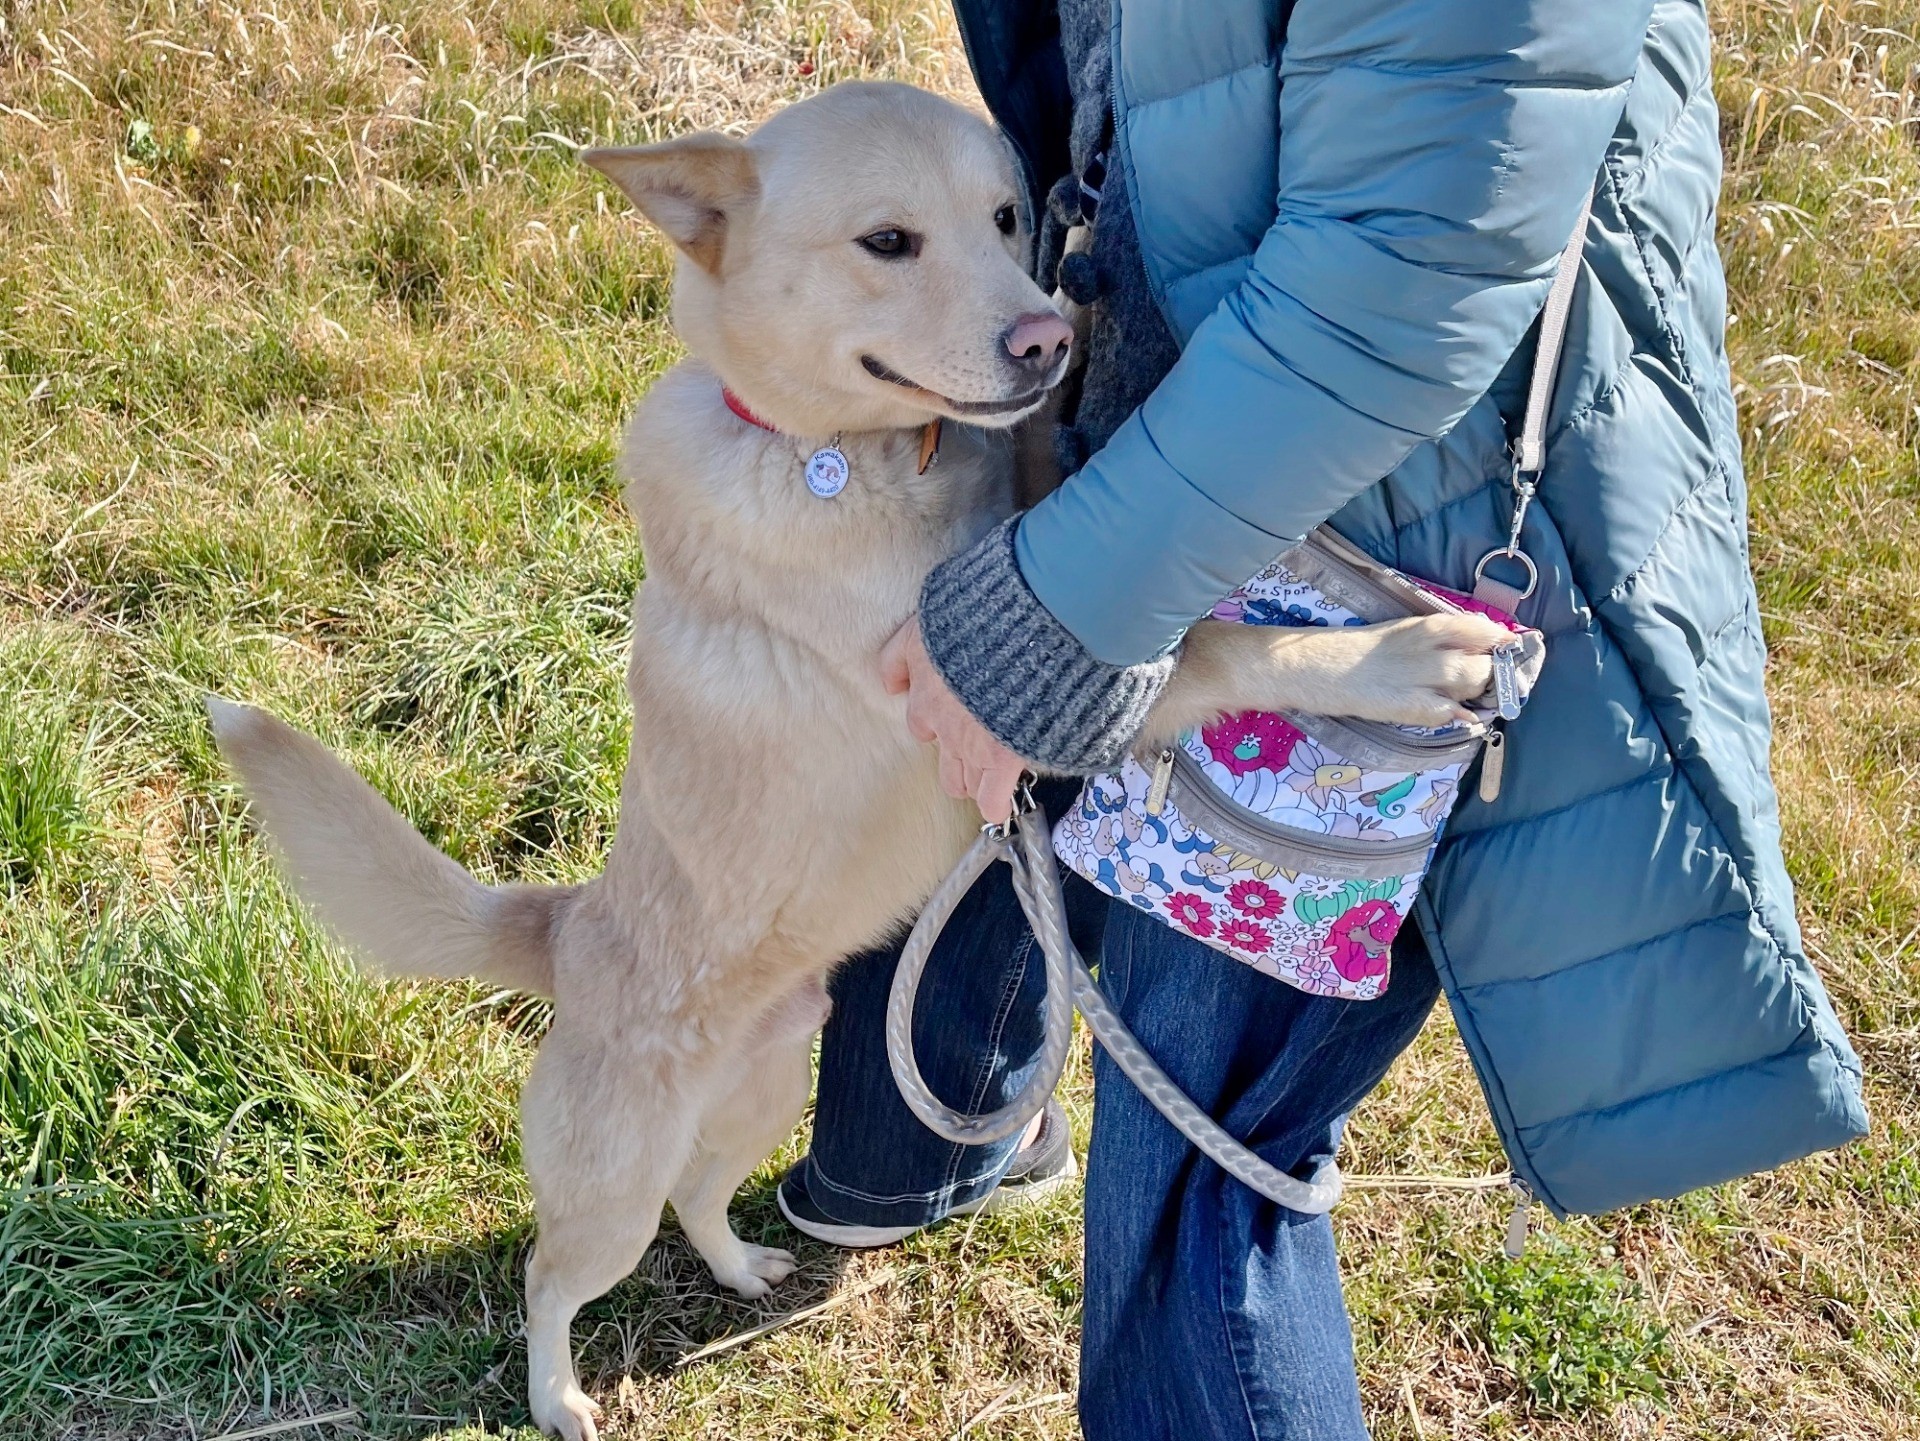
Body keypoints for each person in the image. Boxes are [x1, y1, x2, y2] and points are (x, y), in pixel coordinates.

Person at [777, 3, 1868, 1437]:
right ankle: (894, 1153)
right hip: (1160, 405)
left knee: (1205, 1144)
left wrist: (1057, 608)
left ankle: (902, 1154)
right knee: (1015, 799)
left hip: (1368, 514)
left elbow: (1399, 282)